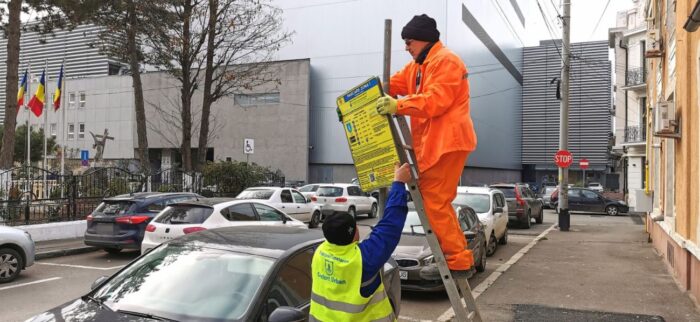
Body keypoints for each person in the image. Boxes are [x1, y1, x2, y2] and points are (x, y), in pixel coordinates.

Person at [376, 14, 477, 274]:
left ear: (423, 40)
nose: (406, 47)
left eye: (409, 41)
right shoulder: (418, 66)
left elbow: (435, 101)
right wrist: (364, 98)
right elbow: (390, 84)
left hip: (449, 142)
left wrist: (398, 105)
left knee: (435, 202)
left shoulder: (447, 62)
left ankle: (457, 260)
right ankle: (454, 258)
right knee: (433, 201)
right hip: (433, 146)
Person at [309, 163, 411, 322]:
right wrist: (398, 183)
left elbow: (385, 230)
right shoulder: (363, 260)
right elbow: (390, 226)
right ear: (354, 233)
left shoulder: (320, 252)